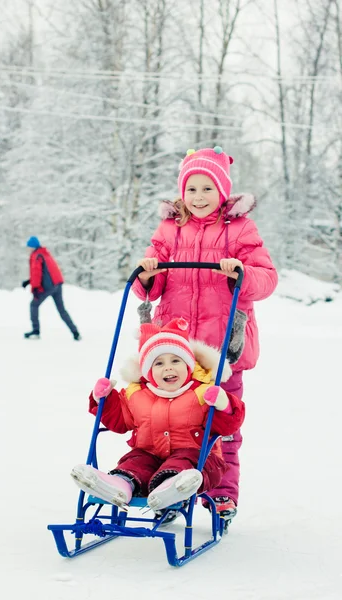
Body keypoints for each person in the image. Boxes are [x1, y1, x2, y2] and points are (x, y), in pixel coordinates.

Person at [132, 146, 278, 521]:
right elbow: (152, 286)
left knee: (220, 424)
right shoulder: (169, 229)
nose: (198, 197)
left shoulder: (241, 229)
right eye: (192, 189)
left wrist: (240, 274)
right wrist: (148, 274)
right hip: (175, 350)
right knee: (172, 424)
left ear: (223, 191)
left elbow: (266, 279)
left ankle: (221, 494)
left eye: (207, 189)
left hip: (223, 348)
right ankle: (170, 488)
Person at [71, 318, 245, 514]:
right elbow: (119, 421)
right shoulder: (136, 394)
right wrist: (103, 399)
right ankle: (119, 485)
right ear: (148, 371)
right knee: (135, 463)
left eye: (176, 360)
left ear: (189, 366)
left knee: (183, 461)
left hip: (199, 462)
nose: (168, 367)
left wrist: (224, 404)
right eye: (159, 363)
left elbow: (228, 426)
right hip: (149, 456)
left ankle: (172, 487)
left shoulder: (202, 392)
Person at [22, 236, 81, 340]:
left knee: (33, 305)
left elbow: (37, 272)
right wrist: (29, 281)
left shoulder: (36, 255)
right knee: (61, 309)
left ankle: (36, 331)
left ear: (32, 247)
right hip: (57, 284)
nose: (28, 249)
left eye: (29, 247)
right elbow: (46, 271)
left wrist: (35, 288)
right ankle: (75, 332)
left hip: (48, 286)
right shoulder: (44, 253)